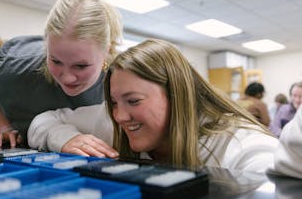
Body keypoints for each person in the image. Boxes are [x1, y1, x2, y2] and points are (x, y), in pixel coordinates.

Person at [29, 39, 280, 173]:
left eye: (134, 101)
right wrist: (64, 139)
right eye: (115, 102)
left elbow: (276, 182)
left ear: (177, 95)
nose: (119, 116)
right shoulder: (114, 123)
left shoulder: (236, 143)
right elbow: (43, 121)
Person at [0, 0, 120, 159]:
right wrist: (5, 129)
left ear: (107, 51)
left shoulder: (119, 80)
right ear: (47, 45)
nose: (67, 77)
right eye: (56, 61)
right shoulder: (14, 66)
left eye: (81, 66)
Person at [274, 105, 302, 179]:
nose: (297, 99)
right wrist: (281, 135)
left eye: (300, 96)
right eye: (294, 96)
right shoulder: (284, 109)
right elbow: (275, 125)